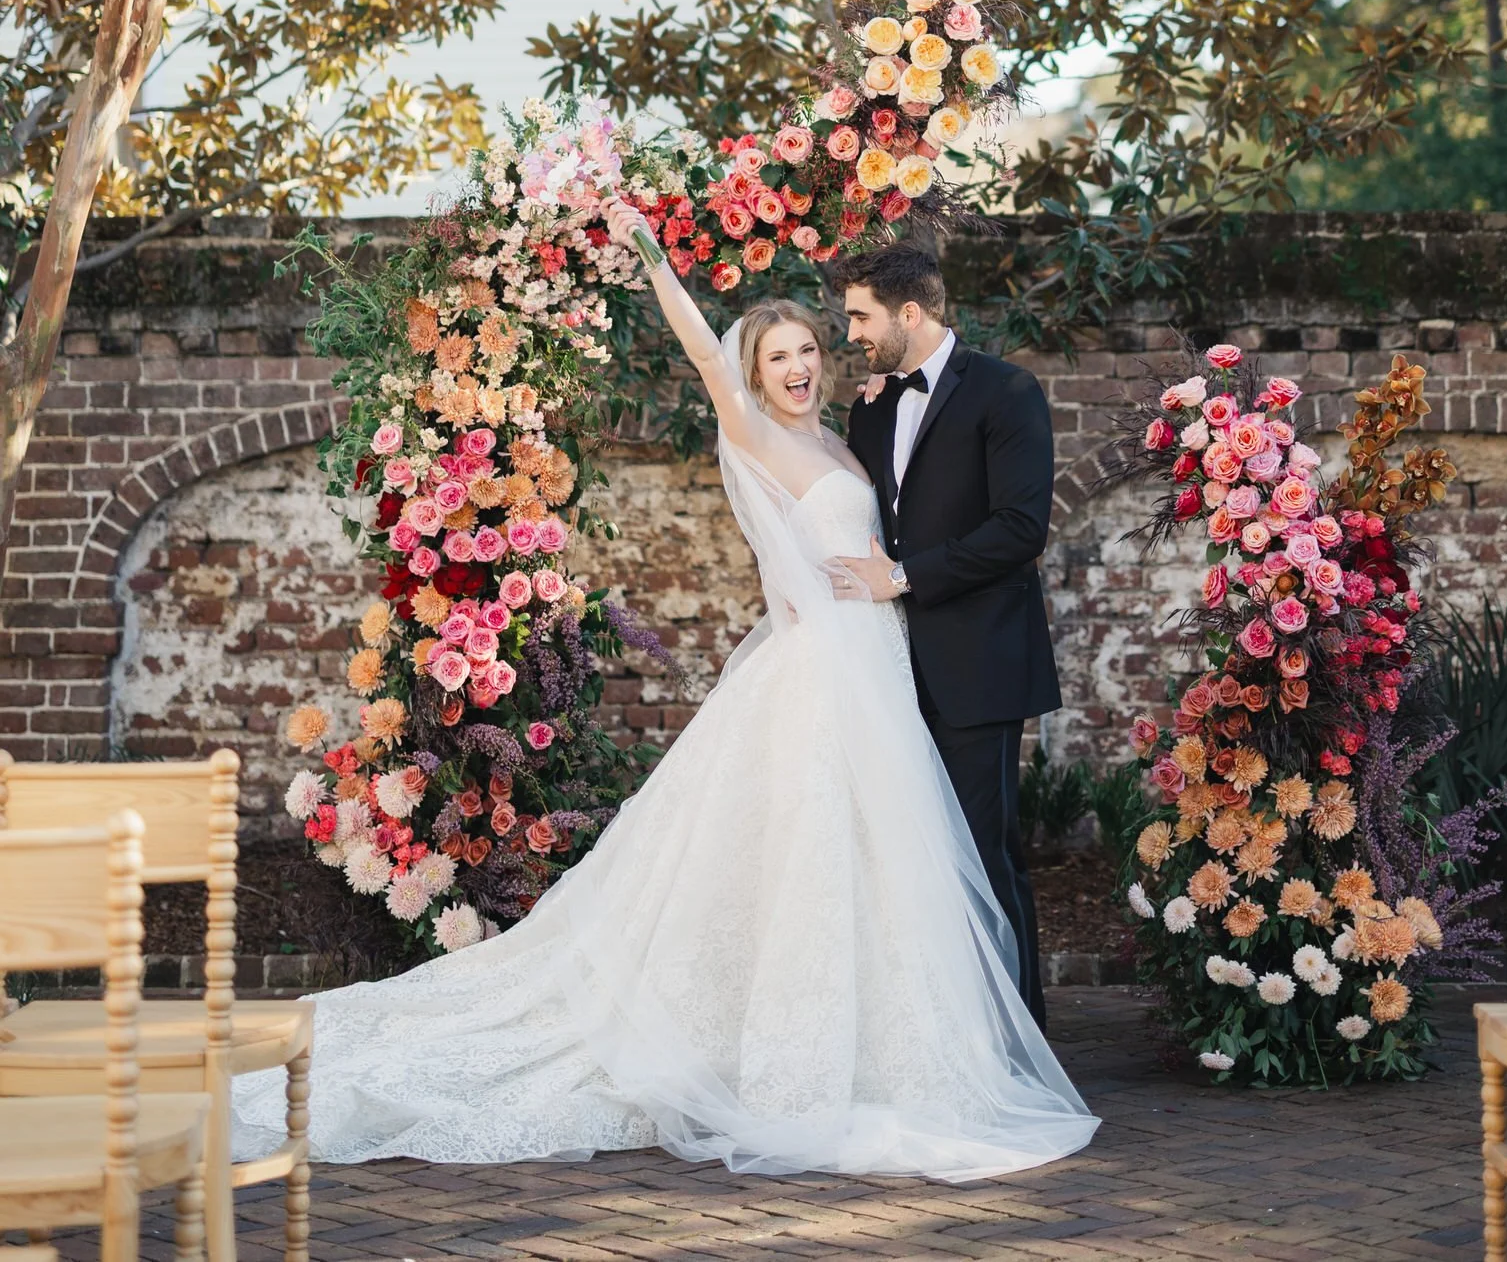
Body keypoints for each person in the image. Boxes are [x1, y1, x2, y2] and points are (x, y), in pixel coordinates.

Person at [232, 215, 1095, 1183]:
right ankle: (800, 1058)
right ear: (755, 371)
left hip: (889, 669)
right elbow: (701, 352)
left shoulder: (864, 425)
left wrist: (895, 578)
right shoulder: (758, 431)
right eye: (783, 354)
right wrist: (649, 256)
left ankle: (952, 1046)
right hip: (820, 679)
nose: (809, 361)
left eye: (815, 344)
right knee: (810, 863)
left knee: (915, 865)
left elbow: (970, 528)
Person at [828, 242, 1059, 1028]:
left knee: (982, 853)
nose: (851, 331)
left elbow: (1020, 528)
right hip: (886, 666)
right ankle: (935, 1031)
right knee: (908, 855)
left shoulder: (1007, 392)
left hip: (977, 660)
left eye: (861, 316)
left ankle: (1017, 1036)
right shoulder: (871, 403)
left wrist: (905, 576)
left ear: (910, 313)